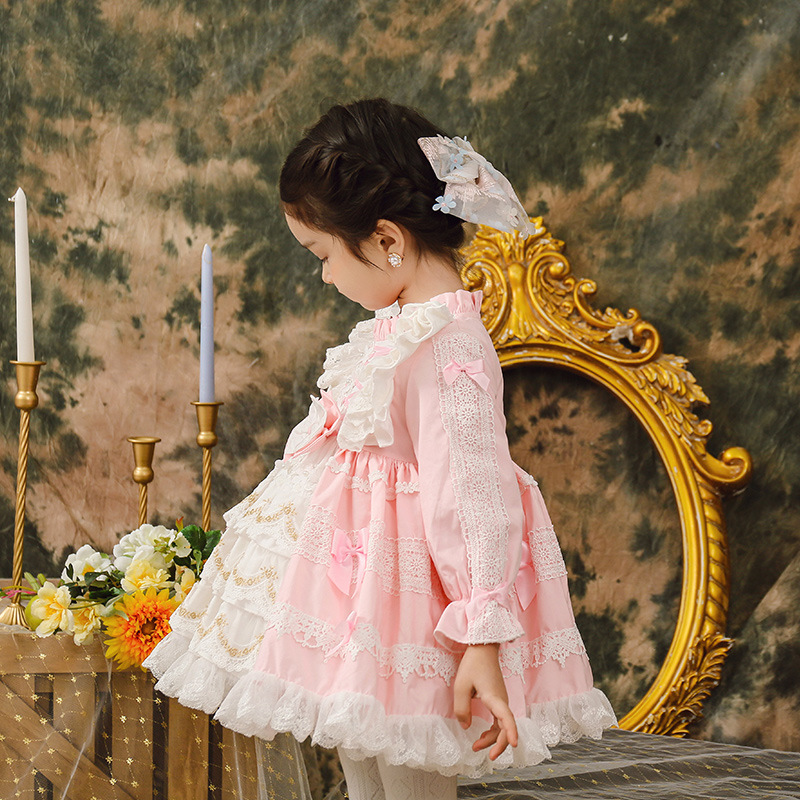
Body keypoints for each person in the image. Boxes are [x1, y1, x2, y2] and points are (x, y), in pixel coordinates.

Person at [144, 98, 615, 800]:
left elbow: (472, 490)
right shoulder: (403, 326)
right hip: (361, 604)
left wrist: (482, 635)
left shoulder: (446, 342)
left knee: (406, 777)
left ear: (387, 239)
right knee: (366, 767)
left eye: (324, 255)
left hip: (415, 617)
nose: (325, 276)